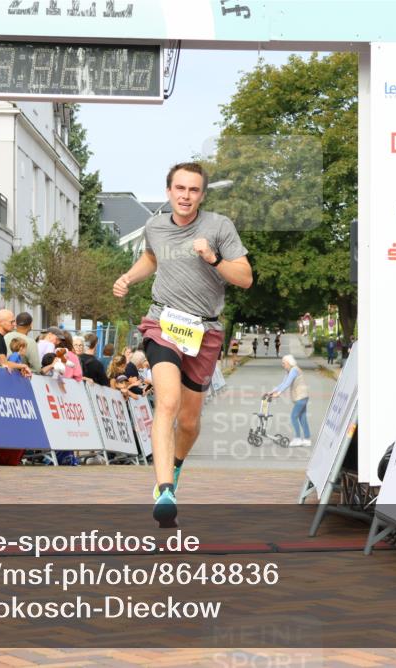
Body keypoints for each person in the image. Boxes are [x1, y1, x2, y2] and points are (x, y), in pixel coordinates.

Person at [113, 161, 252, 527]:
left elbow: (245, 278)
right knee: (168, 402)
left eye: (193, 190)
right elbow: (151, 257)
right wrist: (129, 277)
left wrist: (214, 258)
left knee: (189, 423)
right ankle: (163, 491)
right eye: (180, 188)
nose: (186, 196)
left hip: (204, 332)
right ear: (168, 191)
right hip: (164, 323)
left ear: (202, 195)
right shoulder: (155, 225)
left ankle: (173, 469)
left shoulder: (219, 227)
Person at [269, 354, 311, 447]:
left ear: (288, 362)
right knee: (302, 417)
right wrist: (272, 391)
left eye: (283, 363)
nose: (282, 365)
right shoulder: (289, 371)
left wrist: (278, 393)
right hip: (303, 396)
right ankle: (307, 439)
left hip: (301, 397)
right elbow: (283, 383)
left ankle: (297, 438)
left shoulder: (294, 370)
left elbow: (287, 383)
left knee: (293, 417)